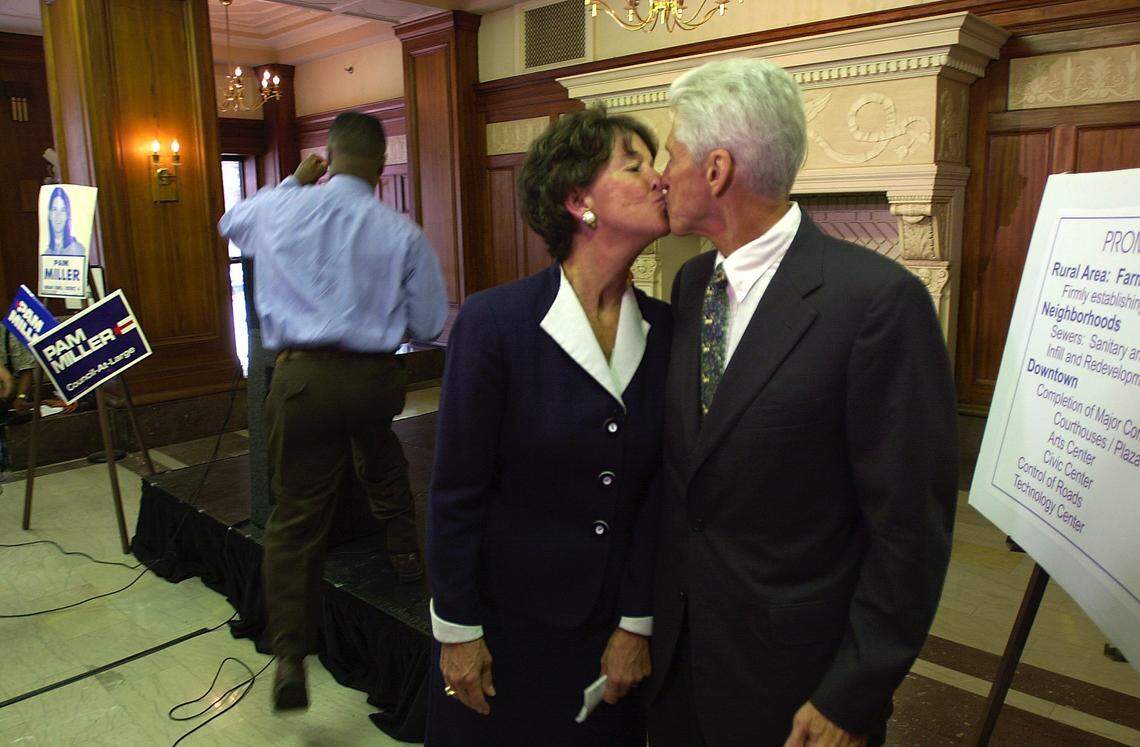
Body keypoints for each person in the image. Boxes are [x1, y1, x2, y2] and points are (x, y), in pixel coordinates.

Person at [647, 58, 958, 746]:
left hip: (794, 687)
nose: (659, 176)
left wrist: (854, 692)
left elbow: (909, 528)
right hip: (679, 667)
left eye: (670, 154)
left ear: (717, 170)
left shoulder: (878, 303)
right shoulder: (694, 283)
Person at [426, 107, 671, 745]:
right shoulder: (495, 323)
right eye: (635, 164)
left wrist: (636, 623)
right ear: (577, 200)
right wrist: (457, 632)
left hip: (611, 632)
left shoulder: (668, 330)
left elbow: (659, 496)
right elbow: (456, 491)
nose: (660, 179)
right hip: (506, 627)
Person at [218, 111, 448, 712]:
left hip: (301, 381)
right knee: (379, 454)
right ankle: (403, 556)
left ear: (328, 154)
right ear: (380, 165)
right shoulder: (402, 232)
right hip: (373, 380)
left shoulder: (280, 208)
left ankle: (291, 654)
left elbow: (229, 221)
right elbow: (427, 324)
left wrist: (293, 181)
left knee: (295, 513)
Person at [45, 187, 86, 256]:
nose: (58, 215)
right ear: (49, 214)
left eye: (63, 210)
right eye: (54, 209)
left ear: (67, 215)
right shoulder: (47, 253)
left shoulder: (77, 249)